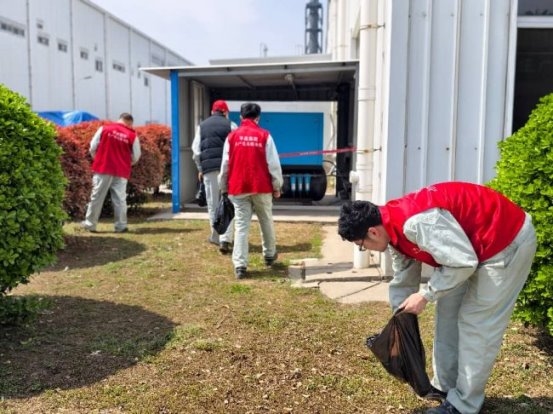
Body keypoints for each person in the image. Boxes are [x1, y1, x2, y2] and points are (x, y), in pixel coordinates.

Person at [337, 182, 537, 414]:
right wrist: (398, 321)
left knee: (476, 325)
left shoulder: (417, 223)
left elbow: (463, 263)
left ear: (373, 232)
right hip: (468, 250)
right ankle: (445, 389)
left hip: (505, 242)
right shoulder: (390, 230)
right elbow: (404, 276)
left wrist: (425, 294)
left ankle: (464, 405)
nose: (365, 250)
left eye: (362, 245)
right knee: (447, 314)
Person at [219, 102, 283, 279]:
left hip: (238, 187)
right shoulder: (265, 136)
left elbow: (225, 165)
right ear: (258, 118)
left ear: (241, 117)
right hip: (262, 186)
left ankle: (240, 265)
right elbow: (273, 165)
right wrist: (277, 186)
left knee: (241, 225)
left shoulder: (232, 137)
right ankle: (269, 254)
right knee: (266, 220)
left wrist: (223, 186)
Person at [81, 112, 141, 233]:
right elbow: (136, 156)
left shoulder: (104, 129)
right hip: (121, 170)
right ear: (129, 123)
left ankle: (90, 224)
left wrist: (98, 158)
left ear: (119, 119)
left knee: (97, 196)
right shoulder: (132, 135)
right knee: (120, 199)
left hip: (103, 168)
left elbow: (92, 147)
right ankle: (121, 226)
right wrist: (127, 163)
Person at [192, 100, 237, 254]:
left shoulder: (202, 126)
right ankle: (226, 239)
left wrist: (200, 168)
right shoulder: (231, 125)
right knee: (228, 203)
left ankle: (216, 236)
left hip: (209, 169)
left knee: (213, 203)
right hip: (228, 170)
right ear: (226, 112)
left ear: (212, 111)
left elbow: (196, 151)